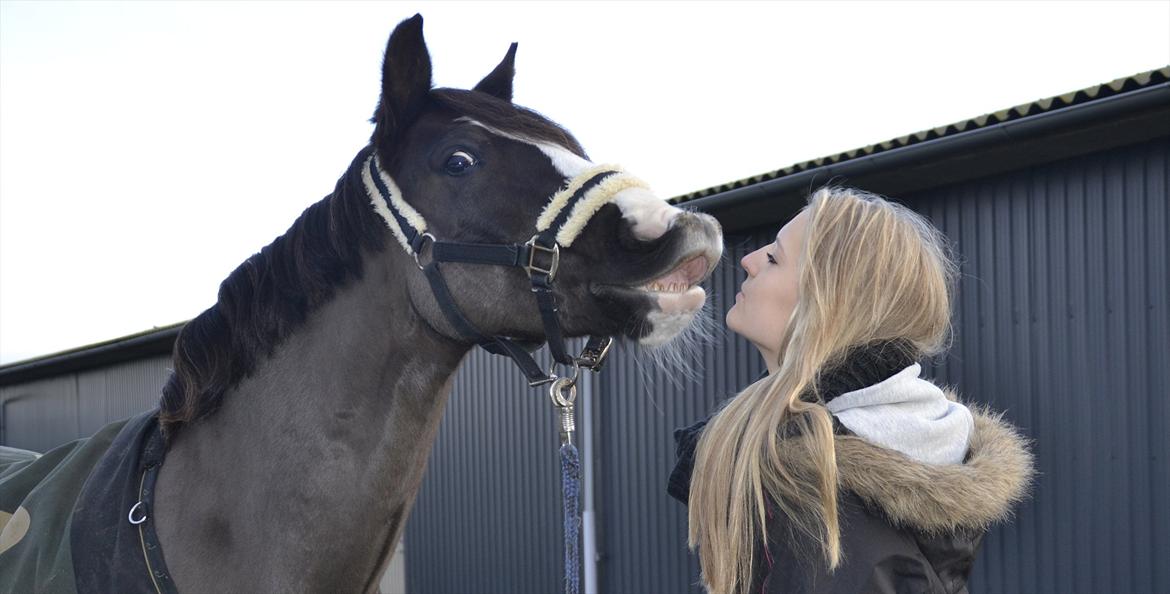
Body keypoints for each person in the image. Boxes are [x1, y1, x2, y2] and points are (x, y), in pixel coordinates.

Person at [667, 187, 1034, 594]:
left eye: (774, 258)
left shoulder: (818, 501)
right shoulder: (826, 465)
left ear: (828, 305)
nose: (748, 261)